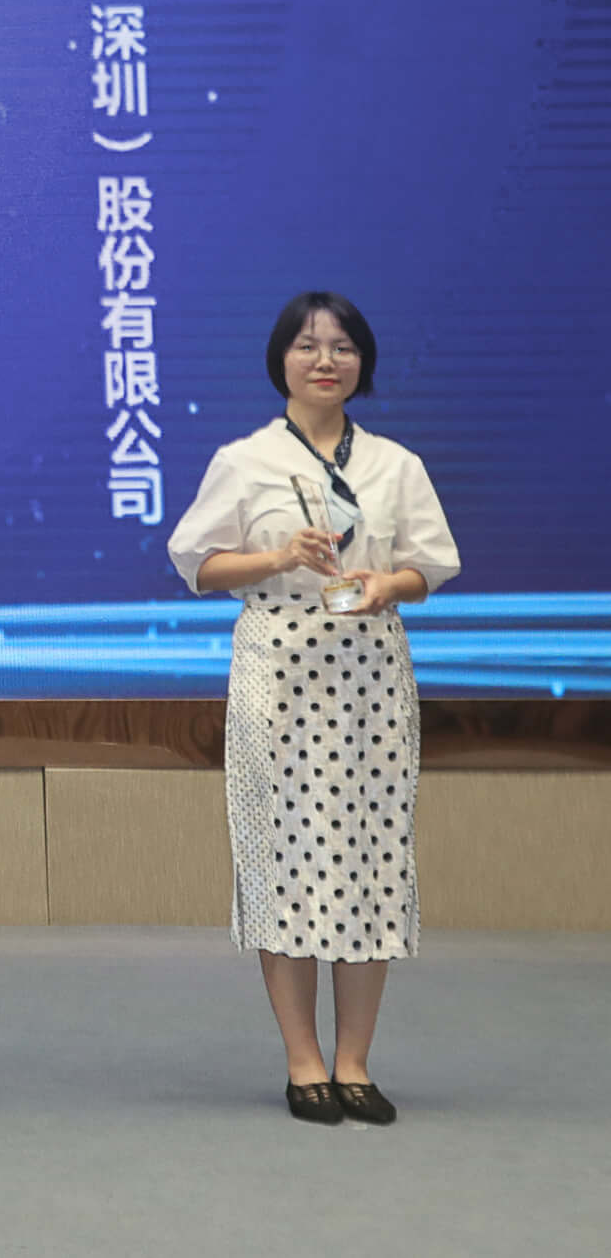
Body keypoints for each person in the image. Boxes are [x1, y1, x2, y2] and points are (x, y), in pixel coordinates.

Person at [168, 291, 458, 1126]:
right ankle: (304, 1061)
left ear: (362, 362)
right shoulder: (245, 459)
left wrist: (389, 582)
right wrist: (275, 555)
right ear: (281, 361)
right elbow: (196, 564)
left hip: (369, 673)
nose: (325, 360)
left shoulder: (395, 464)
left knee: (370, 857)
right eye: (307, 345)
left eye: (342, 347)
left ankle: (355, 1063)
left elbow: (432, 565)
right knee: (284, 858)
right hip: (278, 669)